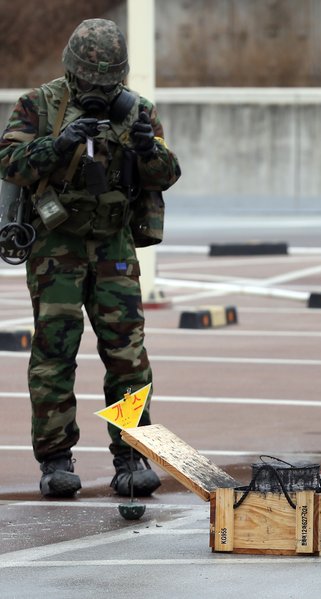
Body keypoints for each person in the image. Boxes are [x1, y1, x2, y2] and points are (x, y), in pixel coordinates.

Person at [0, 19, 181, 498]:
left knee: (127, 356)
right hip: (56, 246)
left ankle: (132, 453)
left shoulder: (137, 110)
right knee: (54, 355)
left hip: (113, 245)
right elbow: (9, 163)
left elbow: (167, 173)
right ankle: (56, 460)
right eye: (89, 84)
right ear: (72, 73)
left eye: (108, 84)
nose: (99, 93)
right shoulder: (39, 104)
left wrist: (146, 149)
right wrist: (58, 143)